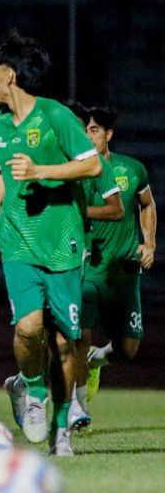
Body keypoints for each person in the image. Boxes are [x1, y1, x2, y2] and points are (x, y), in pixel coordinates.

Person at [0, 30, 101, 457]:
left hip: (62, 246)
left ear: (10, 74)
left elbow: (91, 165)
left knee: (63, 341)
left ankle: (62, 429)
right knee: (28, 328)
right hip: (17, 243)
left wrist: (42, 171)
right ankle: (34, 392)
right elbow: (3, 174)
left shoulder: (56, 116)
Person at [75, 105, 153, 423]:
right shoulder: (73, 171)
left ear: (108, 134)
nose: (89, 136)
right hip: (87, 270)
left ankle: (97, 360)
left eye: (95, 130)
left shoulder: (131, 169)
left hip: (124, 271)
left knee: (128, 350)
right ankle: (78, 409)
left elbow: (147, 204)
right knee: (79, 337)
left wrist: (149, 242)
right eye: (85, 130)